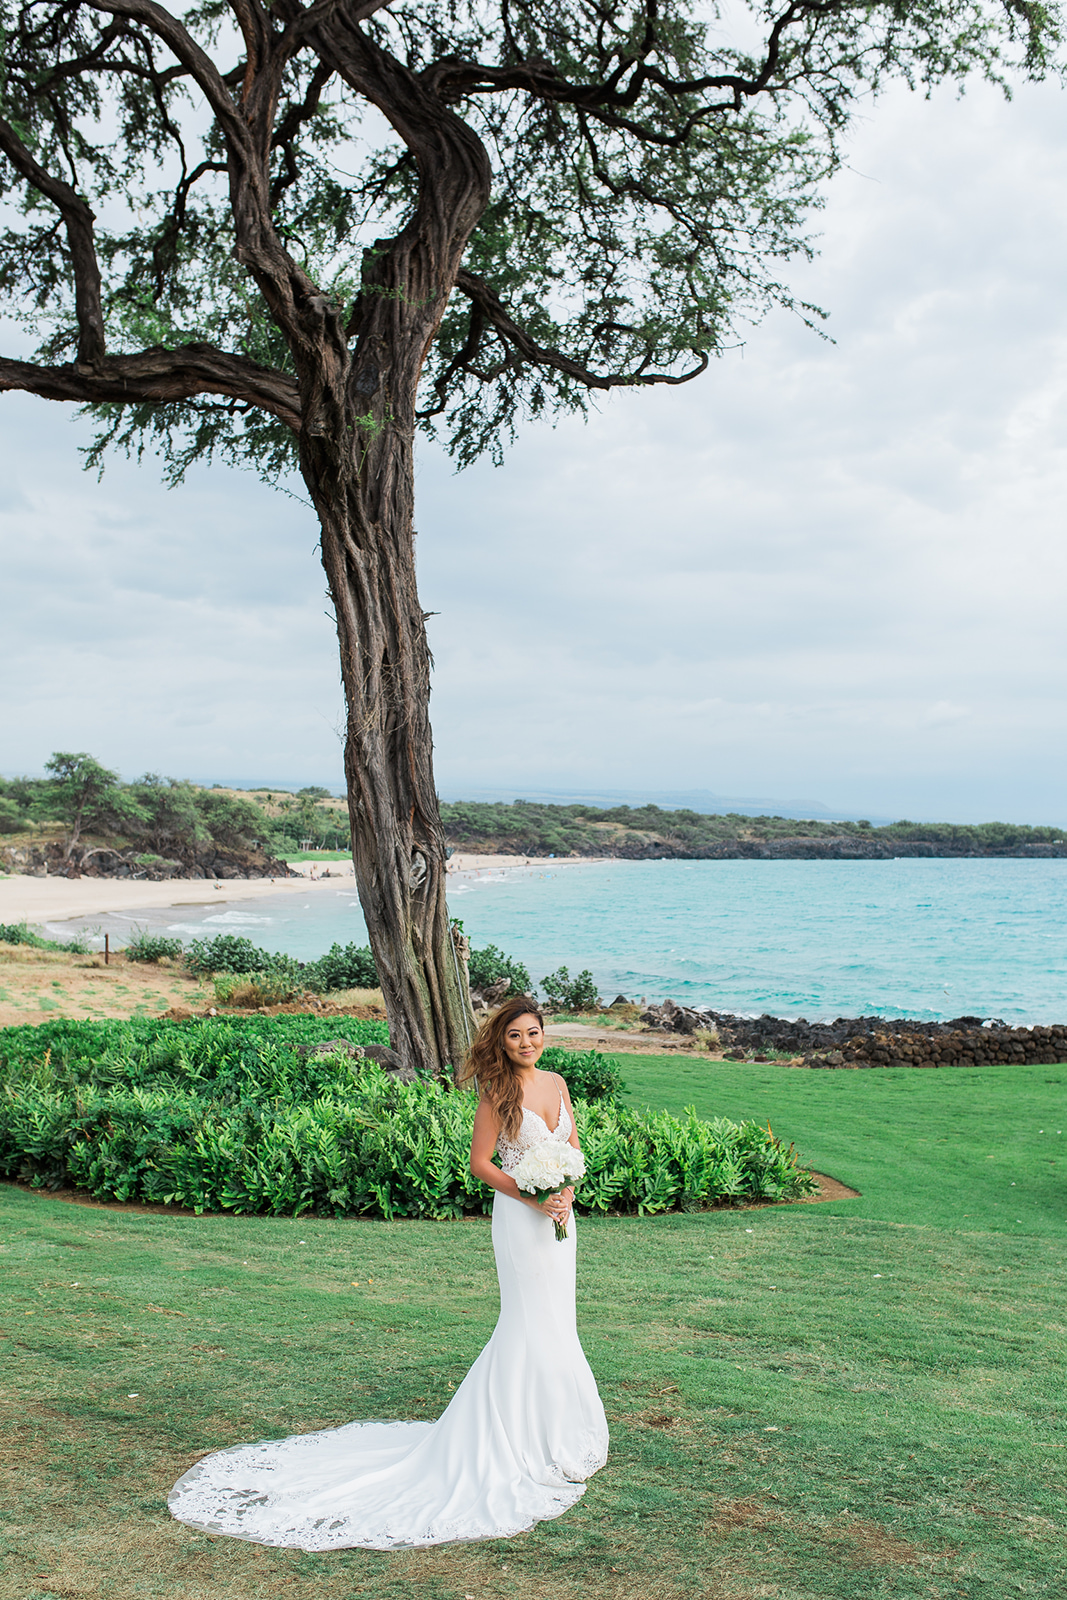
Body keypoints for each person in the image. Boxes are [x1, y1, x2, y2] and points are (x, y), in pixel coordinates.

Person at [167, 995, 608, 1551]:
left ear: (545, 1035)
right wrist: (531, 1194)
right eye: (515, 1035)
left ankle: (556, 1430)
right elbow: (480, 1164)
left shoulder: (558, 1084)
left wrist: (564, 1190)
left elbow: (571, 1149)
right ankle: (513, 1440)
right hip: (521, 1222)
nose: (526, 1042)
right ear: (501, 1041)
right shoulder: (497, 1091)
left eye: (534, 1033)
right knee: (526, 1321)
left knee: (557, 1320)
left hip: (560, 1221)